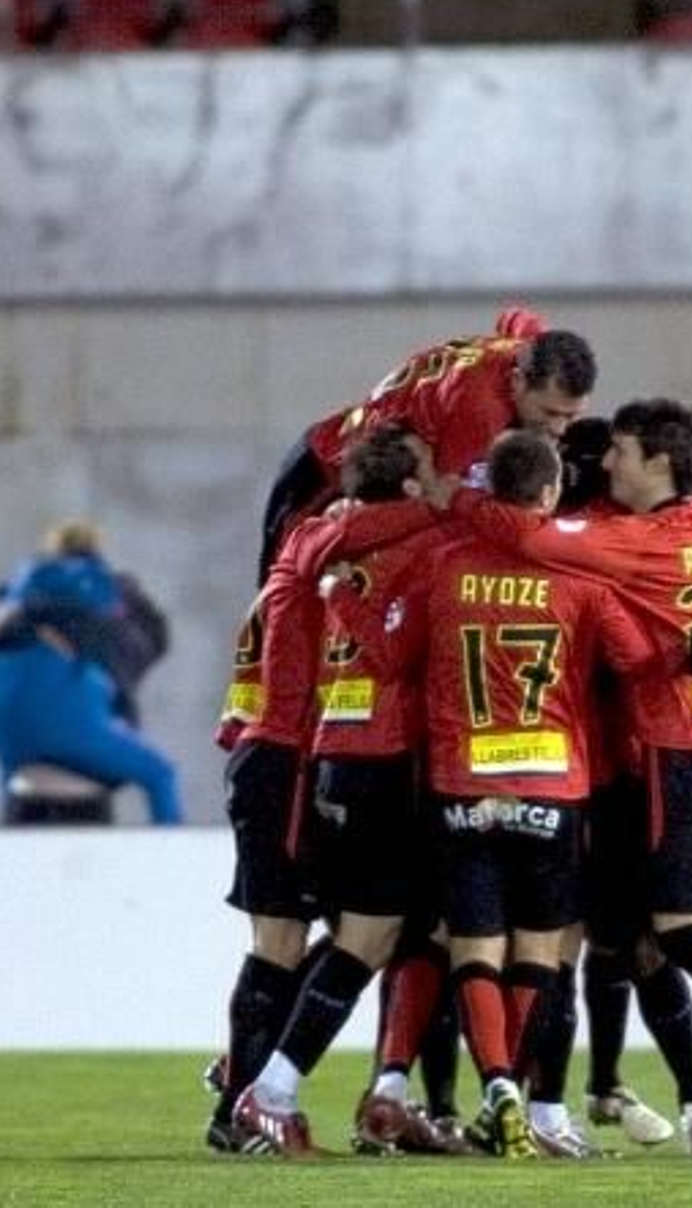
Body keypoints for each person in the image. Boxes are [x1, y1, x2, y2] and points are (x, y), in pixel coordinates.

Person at [419, 397, 692, 1160]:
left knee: (672, 934)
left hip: (665, 756)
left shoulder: (619, 542)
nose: (608, 463)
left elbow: (522, 529)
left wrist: (445, 491)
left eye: (619, 450)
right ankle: (673, 1086)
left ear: (657, 461)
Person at [388, 430, 660, 1159]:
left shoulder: (442, 568)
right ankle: (526, 1099)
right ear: (547, 494)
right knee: (540, 953)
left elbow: (394, 656)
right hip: (553, 783)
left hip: (460, 782)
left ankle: (499, 1086)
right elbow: (636, 660)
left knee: (474, 948)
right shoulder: (581, 581)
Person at [231, 426, 450, 1158]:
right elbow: (393, 649)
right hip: (320, 753)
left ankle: (256, 1089)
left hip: (314, 752)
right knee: (317, 937)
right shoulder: (411, 541)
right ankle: (257, 1093)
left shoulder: (315, 536)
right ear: (412, 486)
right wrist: (454, 511)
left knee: (353, 933)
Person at [257, 308, 597, 581]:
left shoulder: (530, 348)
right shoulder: (478, 412)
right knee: (282, 591)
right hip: (325, 474)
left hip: (377, 471)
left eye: (571, 415)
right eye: (550, 412)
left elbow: (517, 316)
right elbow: (443, 497)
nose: (559, 428)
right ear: (517, 381)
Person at [0, 521, 181, 824]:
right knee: (160, 774)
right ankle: (173, 859)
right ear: (96, 551)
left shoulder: (22, 589)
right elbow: (145, 645)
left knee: (14, 772)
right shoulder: (108, 590)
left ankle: (5, 848)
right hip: (68, 718)